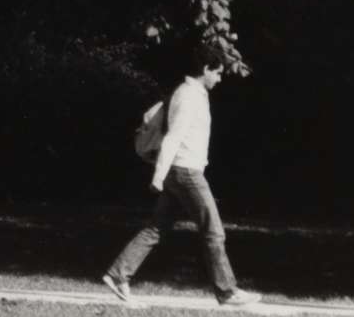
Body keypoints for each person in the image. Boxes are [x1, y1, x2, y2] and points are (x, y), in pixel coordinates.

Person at [101, 43, 260, 307]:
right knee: (214, 230)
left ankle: (118, 274)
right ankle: (227, 291)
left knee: (156, 228)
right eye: (218, 73)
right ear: (206, 69)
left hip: (180, 171)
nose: (219, 79)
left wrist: (164, 174)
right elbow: (173, 137)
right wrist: (158, 175)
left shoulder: (193, 93)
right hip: (186, 172)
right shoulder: (188, 95)